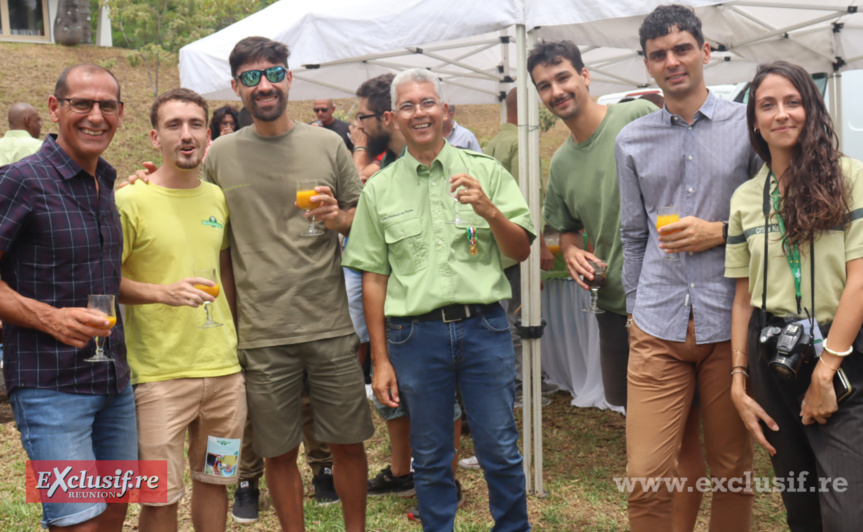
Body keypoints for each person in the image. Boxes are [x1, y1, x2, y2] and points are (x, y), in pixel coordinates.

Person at [343, 67, 534, 531]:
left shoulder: (486, 172)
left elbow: (521, 250)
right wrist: (380, 360)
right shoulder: (380, 189)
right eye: (407, 106)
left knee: (500, 449)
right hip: (415, 338)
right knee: (429, 456)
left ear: (445, 111)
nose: (419, 113)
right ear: (392, 118)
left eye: (428, 102)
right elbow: (373, 278)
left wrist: (490, 211)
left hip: (484, 327)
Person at [203, 36, 374, 532]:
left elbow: (361, 219)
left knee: (347, 444)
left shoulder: (328, 144)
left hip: (328, 325)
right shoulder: (221, 155)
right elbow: (214, 239)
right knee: (277, 452)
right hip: (262, 333)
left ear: (289, 78)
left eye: (274, 73)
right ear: (236, 86)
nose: (265, 85)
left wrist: (338, 219)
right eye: (251, 77)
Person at [616, 5, 761, 530]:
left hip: (730, 323)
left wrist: (718, 232)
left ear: (705, 52)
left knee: (732, 469)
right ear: (647, 65)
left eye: (682, 49)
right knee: (646, 474)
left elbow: (772, 220)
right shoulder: (631, 140)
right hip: (657, 324)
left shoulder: (747, 128)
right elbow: (634, 236)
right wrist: (635, 312)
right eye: (659, 55)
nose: (672, 62)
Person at [727, 60, 863, 532]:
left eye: (793, 102)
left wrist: (826, 370)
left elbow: (860, 280)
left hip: (840, 356)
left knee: (847, 516)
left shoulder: (850, 177)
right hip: (773, 358)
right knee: (802, 510)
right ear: (754, 120)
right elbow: (742, 298)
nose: (781, 113)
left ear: (812, 109)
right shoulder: (746, 198)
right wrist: (739, 380)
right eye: (767, 105)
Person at [0, 64, 135, 531]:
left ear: (121, 114)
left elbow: (102, 277)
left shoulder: (105, 182)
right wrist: (49, 318)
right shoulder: (21, 179)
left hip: (113, 382)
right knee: (78, 522)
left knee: (115, 510)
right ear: (55, 108)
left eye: (107, 106)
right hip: (51, 388)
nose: (96, 116)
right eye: (82, 103)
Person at [117, 88, 245, 532]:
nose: (186, 135)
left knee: (216, 480)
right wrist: (162, 292)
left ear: (208, 135)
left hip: (224, 374)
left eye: (195, 125)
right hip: (159, 378)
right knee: (159, 497)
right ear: (156, 137)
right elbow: (103, 282)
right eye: (174, 125)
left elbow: (224, 273)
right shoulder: (129, 200)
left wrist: (234, 339)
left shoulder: (217, 198)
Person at [348, 73, 466, 522]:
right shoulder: (387, 168)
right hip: (394, 313)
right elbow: (374, 261)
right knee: (394, 392)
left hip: (437, 315)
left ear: (384, 118)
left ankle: (445, 480)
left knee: (442, 403)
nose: (358, 126)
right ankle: (405, 472)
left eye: (362, 117)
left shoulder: (455, 156)